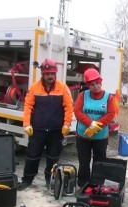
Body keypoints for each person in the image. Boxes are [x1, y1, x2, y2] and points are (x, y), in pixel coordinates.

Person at [20, 58, 73, 191]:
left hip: (56, 130)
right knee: (32, 155)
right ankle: (27, 179)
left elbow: (68, 106)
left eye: (52, 73)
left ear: (55, 74)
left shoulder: (63, 87)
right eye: (47, 73)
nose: (50, 76)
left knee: (53, 157)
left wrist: (67, 124)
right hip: (38, 129)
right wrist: (26, 124)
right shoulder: (34, 87)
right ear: (42, 74)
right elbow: (28, 106)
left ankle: (50, 179)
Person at [74, 68, 116, 187]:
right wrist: (90, 123)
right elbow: (77, 111)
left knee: (99, 162)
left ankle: (97, 184)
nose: (96, 86)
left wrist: (97, 126)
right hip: (83, 136)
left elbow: (111, 114)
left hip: (100, 138)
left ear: (101, 82)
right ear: (88, 85)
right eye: (92, 84)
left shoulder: (108, 97)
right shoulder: (83, 95)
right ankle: (83, 184)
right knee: (84, 162)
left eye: (98, 83)